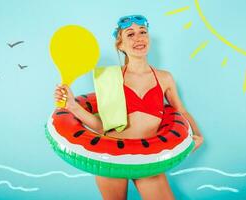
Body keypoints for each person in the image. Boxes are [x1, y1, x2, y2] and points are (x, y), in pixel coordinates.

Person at [54, 14, 204, 200]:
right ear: (120, 45)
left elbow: (181, 111)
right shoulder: (109, 78)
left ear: (148, 38)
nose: (139, 38)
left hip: (149, 159)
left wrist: (197, 135)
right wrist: (73, 106)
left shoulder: (165, 78)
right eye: (130, 34)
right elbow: (103, 127)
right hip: (112, 157)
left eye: (143, 32)